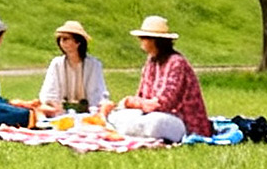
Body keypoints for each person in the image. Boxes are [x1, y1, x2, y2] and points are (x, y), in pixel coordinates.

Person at [101, 15, 210, 143]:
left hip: (181, 120)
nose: (140, 41)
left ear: (155, 41)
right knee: (119, 116)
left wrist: (131, 102)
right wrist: (125, 106)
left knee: (156, 123)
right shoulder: (151, 62)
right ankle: (127, 127)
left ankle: (129, 130)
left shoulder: (176, 63)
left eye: (143, 38)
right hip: (150, 114)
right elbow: (142, 97)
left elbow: (163, 104)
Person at [38, 19, 108, 116]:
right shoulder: (56, 63)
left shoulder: (94, 64)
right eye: (60, 39)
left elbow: (97, 94)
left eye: (66, 39)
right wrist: (56, 107)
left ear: (78, 42)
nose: (62, 42)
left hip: (89, 113)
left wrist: (93, 111)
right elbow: (50, 92)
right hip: (60, 113)